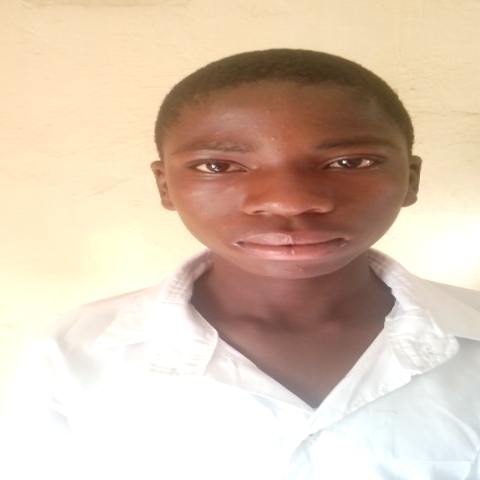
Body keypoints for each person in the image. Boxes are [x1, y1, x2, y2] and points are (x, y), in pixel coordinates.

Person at [2, 49, 480, 480]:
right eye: (219, 166)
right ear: (165, 186)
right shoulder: (75, 352)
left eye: (349, 162)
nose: (289, 201)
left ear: (410, 179)